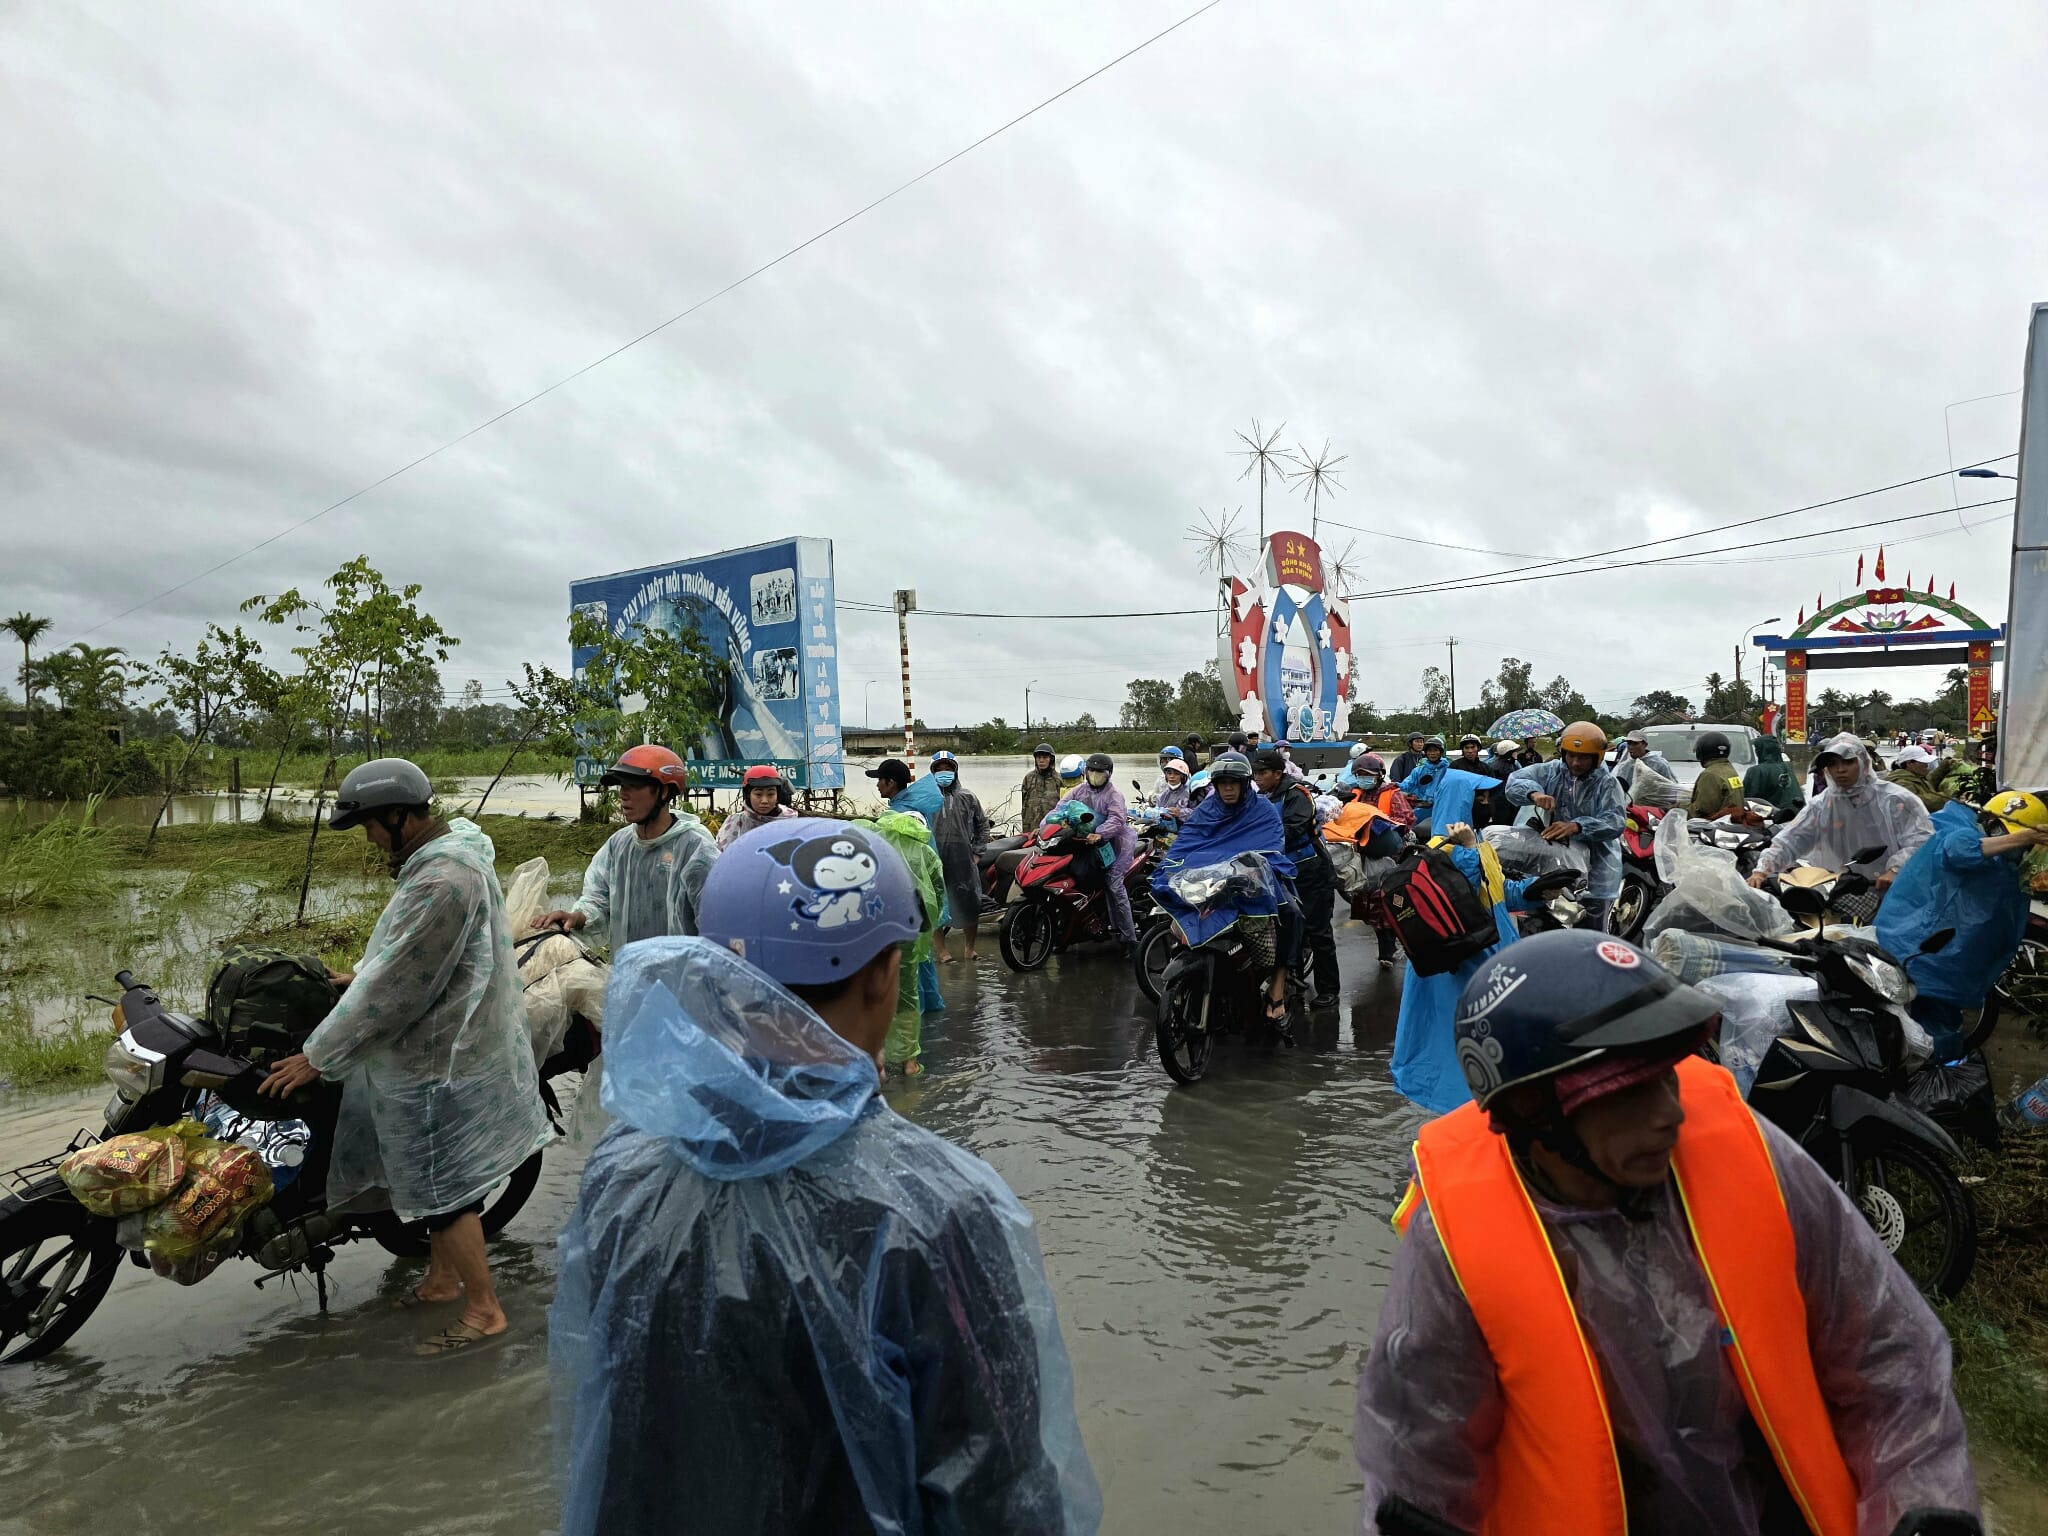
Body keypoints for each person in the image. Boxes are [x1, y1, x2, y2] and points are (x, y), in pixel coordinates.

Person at [550, 821, 1101, 1533]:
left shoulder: (621, 1171)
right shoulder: (940, 1209)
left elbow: (600, 1414)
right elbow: (1001, 1494)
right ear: (881, 974)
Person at [1355, 928, 1981, 1536]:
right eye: (1626, 1094)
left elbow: (1888, 1356)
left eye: (1667, 1075)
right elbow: (1418, 1456)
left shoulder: (1746, 1155)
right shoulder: (1460, 1238)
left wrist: (1923, 1504)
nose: (1670, 1114)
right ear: (1532, 1115)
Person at [260, 758, 549, 1353]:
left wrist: (318, 1055)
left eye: (370, 825)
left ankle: (485, 1311)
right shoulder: (455, 850)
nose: (368, 838)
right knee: (430, 1182)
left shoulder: (442, 880)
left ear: (398, 816)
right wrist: (359, 974)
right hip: (446, 1047)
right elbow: (404, 957)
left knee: (448, 1195)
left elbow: (397, 985)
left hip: (441, 1059)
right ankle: (442, 1279)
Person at [1387, 770, 1533, 1112]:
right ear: (1460, 803)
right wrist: (1467, 848)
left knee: (1495, 1048)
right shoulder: (1439, 853)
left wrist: (1533, 893)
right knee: (1460, 1049)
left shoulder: (1479, 843)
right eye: (1478, 798)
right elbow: (1462, 896)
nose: (1486, 803)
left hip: (1494, 957)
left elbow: (1496, 894)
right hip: (1464, 968)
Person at [1874, 789, 2048, 1061]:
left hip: (1951, 959)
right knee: (1927, 1037)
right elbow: (1960, 852)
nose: (2017, 846)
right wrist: (2024, 836)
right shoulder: (1961, 832)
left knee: (1927, 1032)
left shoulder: (2009, 860)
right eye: (2008, 833)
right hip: (1923, 951)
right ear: (1990, 822)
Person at [1152, 751, 1298, 1027]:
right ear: (1215, 785)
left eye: (1233, 782)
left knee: (1290, 914)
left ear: (1244, 784)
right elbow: (1187, 844)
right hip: (1212, 884)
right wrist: (1169, 869)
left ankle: (1278, 987)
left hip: (1252, 883)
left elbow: (1271, 847)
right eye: (1222, 783)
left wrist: (1249, 868)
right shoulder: (1207, 810)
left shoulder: (1263, 810)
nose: (1228, 788)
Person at [541, 745, 720, 943]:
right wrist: (576, 917)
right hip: (628, 968)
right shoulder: (619, 845)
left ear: (664, 791)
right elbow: (598, 899)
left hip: (682, 971)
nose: (623, 795)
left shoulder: (695, 848)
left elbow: (717, 922)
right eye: (622, 786)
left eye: (634, 786)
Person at [1749, 733, 1933, 891]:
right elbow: (1790, 840)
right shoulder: (1821, 805)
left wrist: (1896, 870)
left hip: (1895, 889)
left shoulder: (1896, 800)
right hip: (1835, 889)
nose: (1840, 769)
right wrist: (1761, 871)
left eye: (1848, 761)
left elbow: (1922, 841)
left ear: (1863, 763)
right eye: (1832, 763)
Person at [1504, 721, 1629, 930]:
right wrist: (1534, 794)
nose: (1576, 763)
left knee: (1589, 932)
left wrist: (1577, 826)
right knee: (1546, 928)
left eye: (1583, 757)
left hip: (1596, 872)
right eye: (1571, 755)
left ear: (1597, 758)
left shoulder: (1607, 784)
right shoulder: (1554, 771)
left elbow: (1615, 822)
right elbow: (1515, 781)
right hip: (1555, 864)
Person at [850, 808, 947, 1076]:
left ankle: (872, 1057)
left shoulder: (874, 846)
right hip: (907, 933)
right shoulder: (926, 854)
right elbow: (936, 896)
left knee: (869, 992)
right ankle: (909, 1062)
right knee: (906, 996)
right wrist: (926, 929)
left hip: (871, 933)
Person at [1254, 746, 1340, 1006]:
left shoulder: (1297, 795)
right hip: (1282, 871)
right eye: (1255, 772)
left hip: (1311, 870)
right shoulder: (1264, 797)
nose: (1257, 777)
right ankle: (1292, 978)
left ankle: (1329, 991)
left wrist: (1258, 843)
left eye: (1263, 772)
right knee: (1287, 929)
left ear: (1278, 773)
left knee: (1318, 931)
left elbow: (1290, 830)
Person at [1322, 752, 1411, 971]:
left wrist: (1378, 824)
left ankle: (1389, 949)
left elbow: (1405, 821)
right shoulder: (1352, 794)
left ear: (1380, 775)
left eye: (1368, 774)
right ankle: (1388, 944)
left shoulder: (1393, 795)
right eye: (1359, 774)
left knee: (1386, 905)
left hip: (1389, 858)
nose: (1363, 778)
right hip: (1361, 855)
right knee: (1369, 907)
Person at [1058, 753, 1139, 952]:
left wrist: (1099, 833)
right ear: (1085, 772)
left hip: (1116, 844)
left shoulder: (1114, 794)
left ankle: (1130, 938)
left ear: (1108, 774)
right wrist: (1052, 822)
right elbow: (1061, 807)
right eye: (1091, 770)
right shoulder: (1079, 790)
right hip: (1087, 843)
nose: (1095, 774)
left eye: (1099, 772)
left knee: (1113, 884)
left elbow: (1117, 820)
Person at [928, 751, 990, 963]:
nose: (944, 773)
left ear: (955, 771)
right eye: (939, 769)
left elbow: (982, 825)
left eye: (948, 768)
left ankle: (969, 949)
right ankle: (943, 952)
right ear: (932, 772)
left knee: (970, 901)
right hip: (935, 857)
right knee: (937, 902)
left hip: (963, 858)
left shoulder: (968, 797)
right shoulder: (926, 798)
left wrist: (977, 853)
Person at [716, 764, 801, 848]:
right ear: (748, 794)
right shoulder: (735, 823)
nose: (764, 801)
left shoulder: (790, 821)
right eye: (758, 794)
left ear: (778, 795)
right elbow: (723, 856)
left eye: (770, 794)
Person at [865, 756, 945, 834]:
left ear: (891, 783)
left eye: (880, 780)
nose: (877, 785)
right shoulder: (917, 804)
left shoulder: (898, 813)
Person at [1683, 731, 1751, 821]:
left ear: (1702, 751)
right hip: (1731, 823)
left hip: (1715, 826)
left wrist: (1675, 808)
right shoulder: (1729, 770)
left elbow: (1702, 810)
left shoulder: (1710, 774)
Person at [1743, 733, 1806, 818]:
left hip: (1772, 818)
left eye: (1757, 748)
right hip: (1797, 815)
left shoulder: (1757, 771)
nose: (1756, 751)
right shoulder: (1787, 767)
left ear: (1762, 750)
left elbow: (1748, 799)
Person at [1397, 736, 1451, 835]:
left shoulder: (1449, 770)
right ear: (1425, 753)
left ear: (1441, 752)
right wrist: (1393, 786)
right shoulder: (1419, 770)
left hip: (1442, 809)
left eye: (1435, 750)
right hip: (1422, 809)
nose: (1432, 753)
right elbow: (1406, 785)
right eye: (1430, 751)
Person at [1883, 743, 1950, 813]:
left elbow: (1928, 782)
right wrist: (1947, 798)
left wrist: (1945, 766)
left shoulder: (1914, 776)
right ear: (1909, 763)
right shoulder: (1901, 783)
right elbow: (1915, 802)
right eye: (1922, 762)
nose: (1926, 765)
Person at [1612, 729, 1675, 796]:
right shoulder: (1624, 766)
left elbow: (1670, 788)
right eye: (1629, 743)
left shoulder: (1659, 764)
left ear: (1645, 745)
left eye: (1635, 743)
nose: (1631, 747)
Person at [1020, 743, 1064, 831]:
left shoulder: (1059, 780)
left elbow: (1064, 807)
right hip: (1030, 828)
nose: (1041, 760)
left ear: (1051, 759)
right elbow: (1024, 805)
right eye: (1038, 757)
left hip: (1051, 828)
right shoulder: (1028, 778)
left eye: (1045, 757)